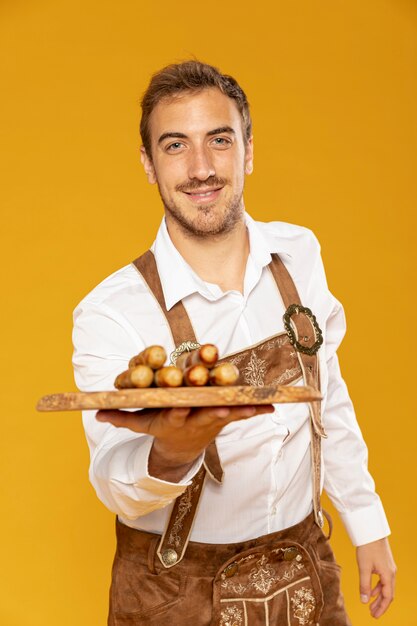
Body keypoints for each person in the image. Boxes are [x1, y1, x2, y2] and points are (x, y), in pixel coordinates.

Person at [72, 60, 396, 625]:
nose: (201, 168)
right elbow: (113, 480)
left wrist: (368, 525)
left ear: (248, 150)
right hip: (172, 596)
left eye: (218, 140)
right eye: (175, 145)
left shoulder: (300, 255)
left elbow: (329, 395)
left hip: (305, 570)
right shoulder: (110, 312)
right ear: (149, 165)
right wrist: (171, 453)